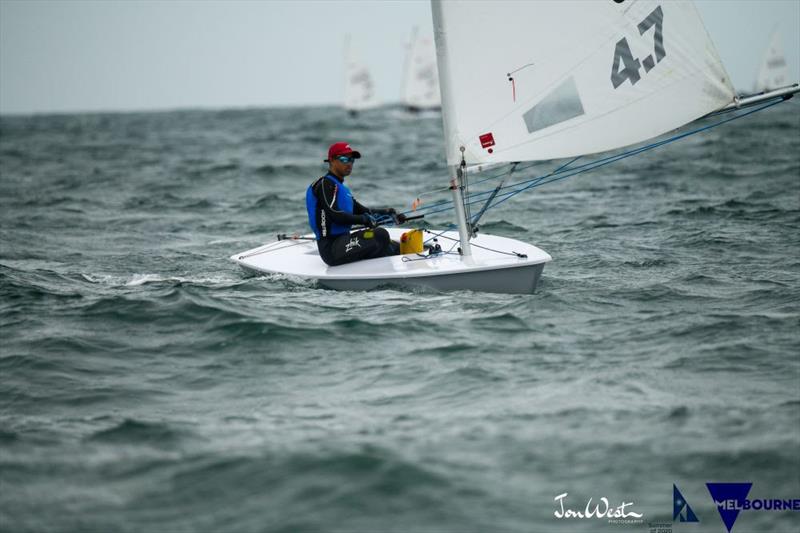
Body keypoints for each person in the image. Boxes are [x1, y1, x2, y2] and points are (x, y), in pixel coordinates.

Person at [306, 142, 406, 266]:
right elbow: (336, 215)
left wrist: (389, 213)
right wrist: (364, 219)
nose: (349, 163)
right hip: (331, 248)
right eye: (344, 159)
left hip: (345, 240)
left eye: (351, 160)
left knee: (399, 246)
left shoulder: (342, 189)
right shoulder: (324, 184)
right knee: (380, 235)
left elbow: (364, 211)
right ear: (331, 160)